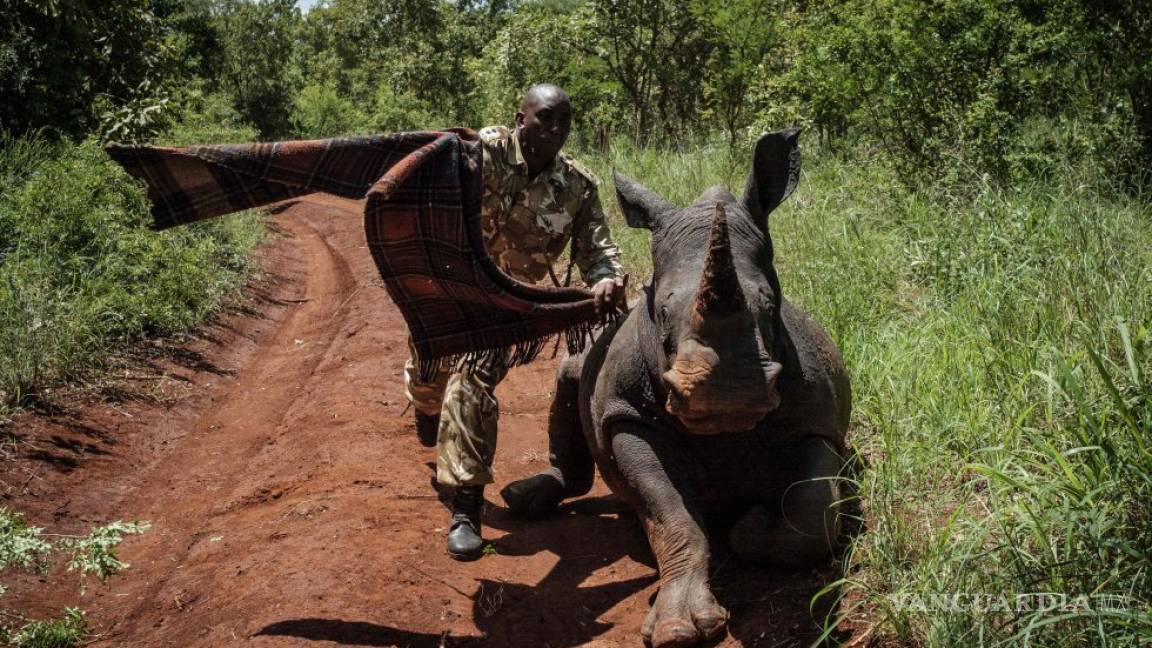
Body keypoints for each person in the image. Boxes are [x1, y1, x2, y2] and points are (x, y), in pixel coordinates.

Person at [403, 84, 626, 560]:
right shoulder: (475, 156)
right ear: (519, 118)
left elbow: (598, 251)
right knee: (428, 375)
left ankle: (466, 506)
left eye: (565, 120)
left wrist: (607, 278)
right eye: (546, 118)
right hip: (448, 290)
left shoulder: (578, 187)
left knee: (472, 381)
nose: (556, 129)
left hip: (506, 307)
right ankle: (425, 406)